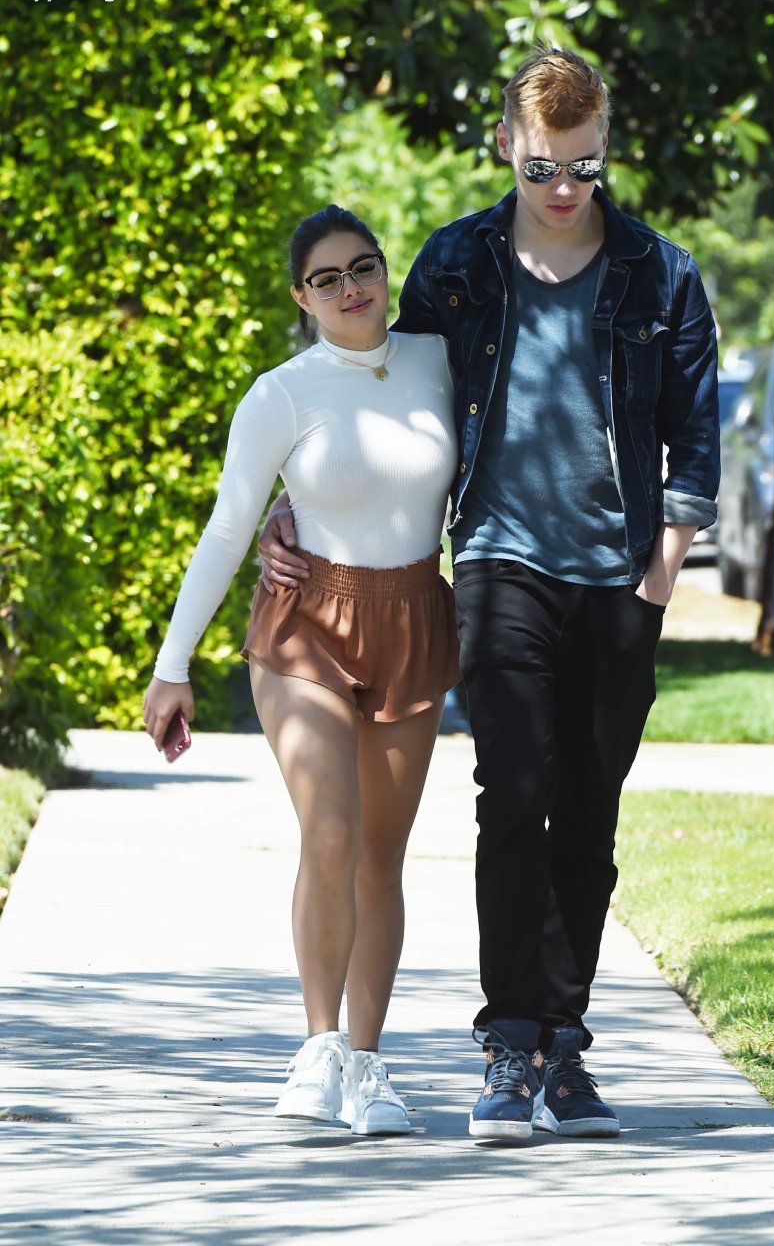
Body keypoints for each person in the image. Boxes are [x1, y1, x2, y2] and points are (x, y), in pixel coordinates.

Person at [259, 48, 720, 1142]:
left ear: (604, 150)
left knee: (589, 815)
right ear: (507, 146)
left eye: (584, 167)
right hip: (500, 561)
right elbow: (385, 386)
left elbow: (695, 441)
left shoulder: (661, 275)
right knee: (513, 794)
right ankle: (509, 1042)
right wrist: (297, 503)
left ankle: (566, 1047)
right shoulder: (458, 261)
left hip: (619, 576)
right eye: (542, 167)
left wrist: (661, 571)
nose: (563, 188)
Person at [142, 204, 460, 1135]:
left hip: (413, 619)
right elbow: (229, 527)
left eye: (363, 267)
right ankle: (318, 1048)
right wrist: (172, 666)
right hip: (306, 625)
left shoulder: (441, 363)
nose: (351, 288)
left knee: (380, 856)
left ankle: (367, 1064)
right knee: (329, 829)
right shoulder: (280, 394)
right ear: (301, 297)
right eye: (327, 278)